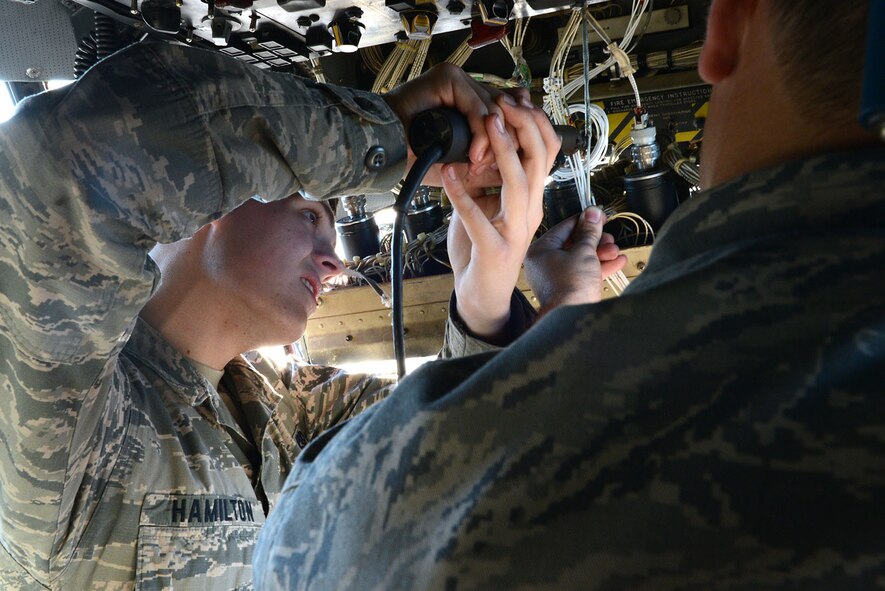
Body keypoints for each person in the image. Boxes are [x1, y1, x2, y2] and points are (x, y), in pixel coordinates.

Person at [253, 1, 885, 589]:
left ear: (728, 26)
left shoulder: (355, 496)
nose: (332, 257)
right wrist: (529, 320)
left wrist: (526, 330)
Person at [0, 38, 629, 588]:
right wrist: (385, 137)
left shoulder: (286, 407)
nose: (335, 262)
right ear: (211, 202)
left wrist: (500, 291)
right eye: (310, 217)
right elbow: (58, 161)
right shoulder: (72, 408)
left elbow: (453, 450)